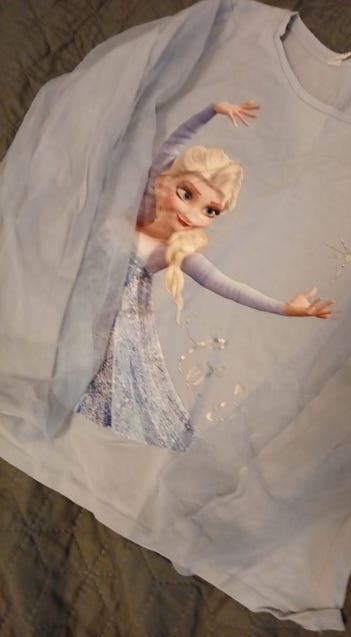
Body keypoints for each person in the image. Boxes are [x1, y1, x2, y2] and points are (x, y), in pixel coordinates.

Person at [76, 101, 334, 450]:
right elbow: (173, 143)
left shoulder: (176, 249)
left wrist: (284, 308)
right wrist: (211, 110)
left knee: (116, 383)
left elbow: (226, 285)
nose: (193, 213)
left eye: (210, 211)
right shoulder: (145, 207)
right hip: (83, 296)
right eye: (186, 194)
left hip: (121, 323)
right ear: (164, 183)